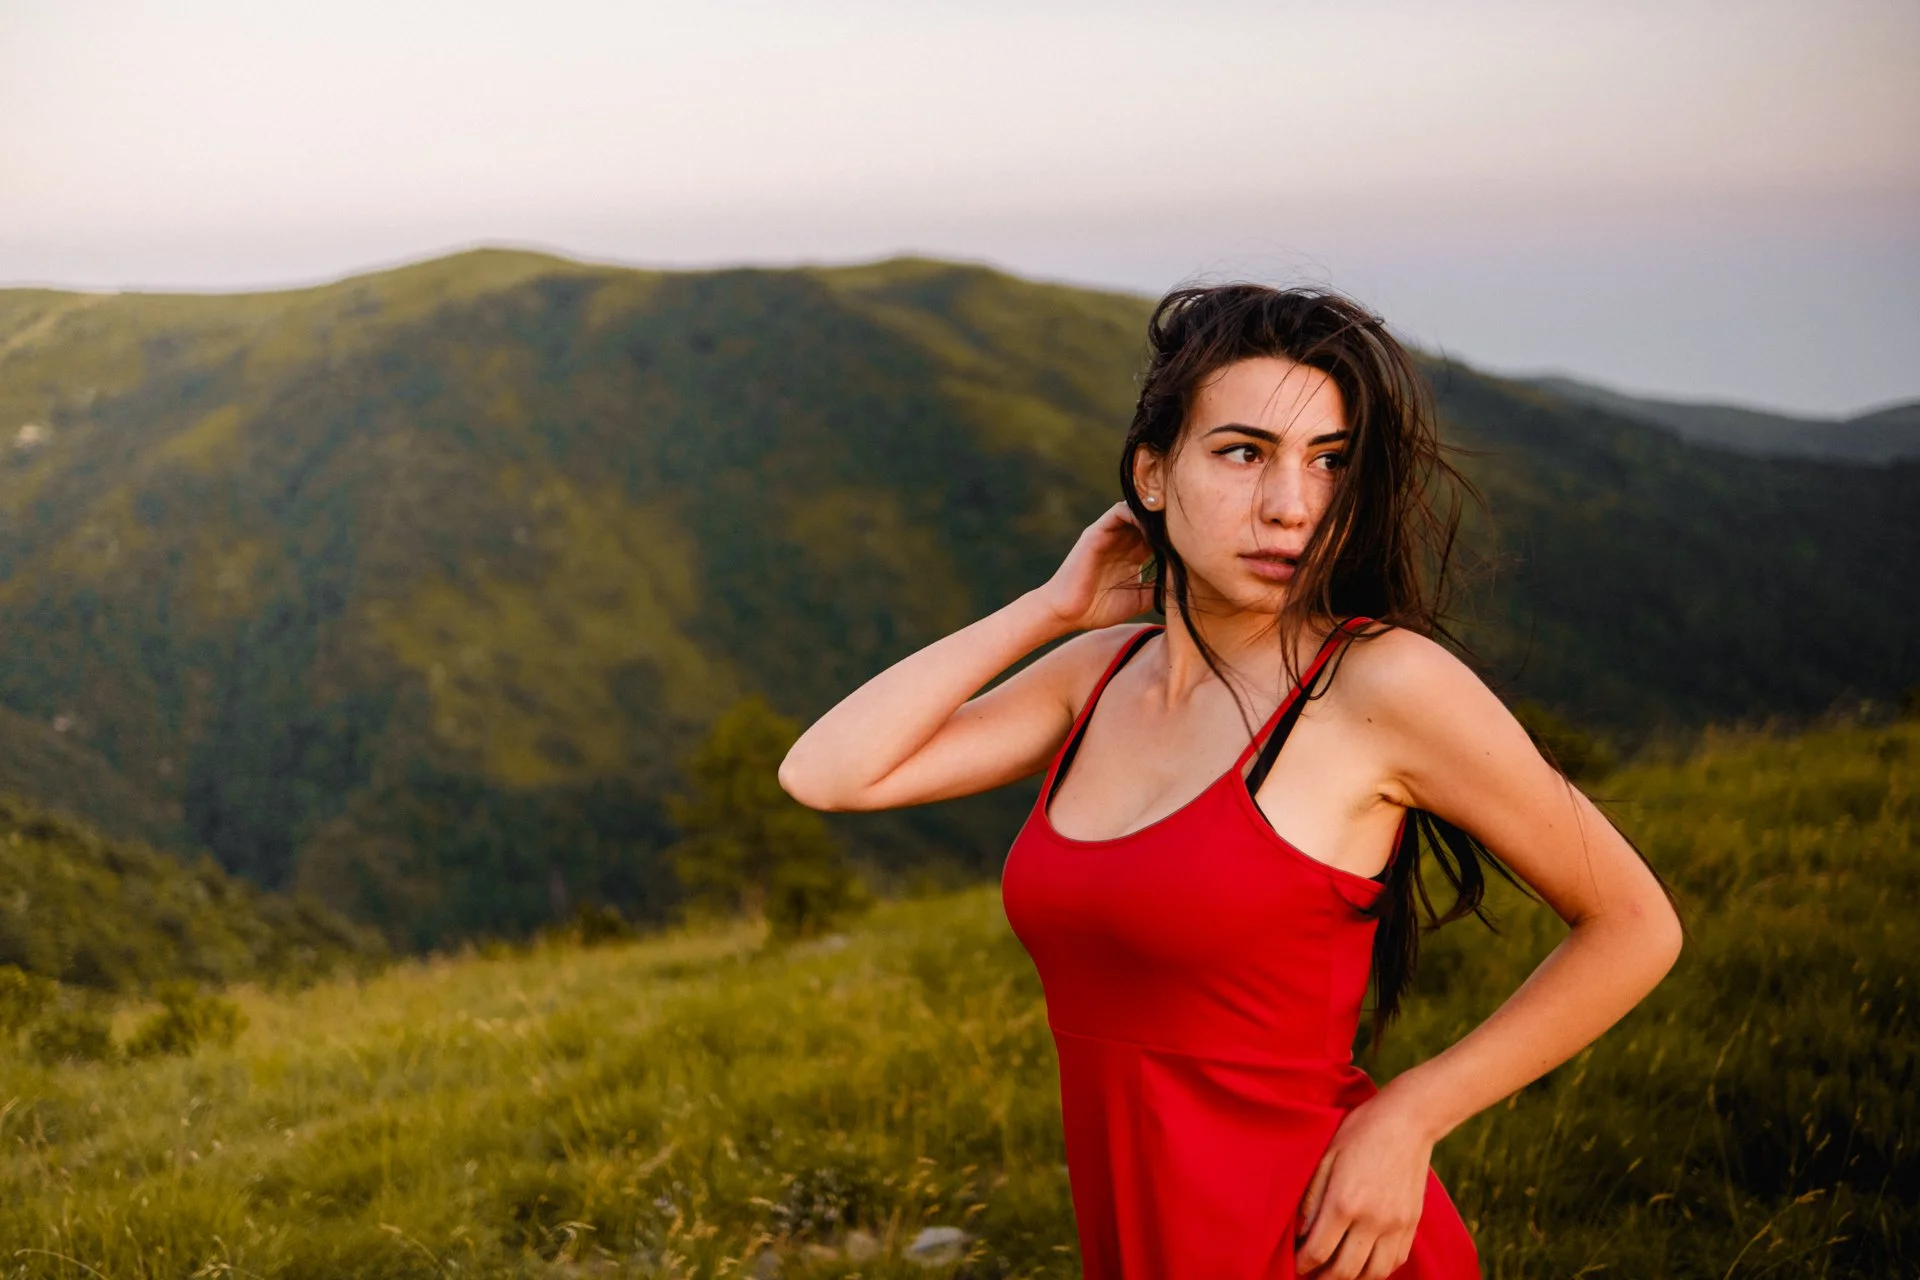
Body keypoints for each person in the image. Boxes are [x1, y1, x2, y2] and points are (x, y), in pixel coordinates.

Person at [778, 282, 1687, 1279]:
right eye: (1244, 451)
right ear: (1152, 476)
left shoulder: (1380, 685)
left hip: (1318, 1239)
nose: (1292, 505)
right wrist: (1051, 606)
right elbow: (828, 771)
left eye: (1328, 461)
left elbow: (1636, 923)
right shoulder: (1099, 675)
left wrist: (1410, 1113)